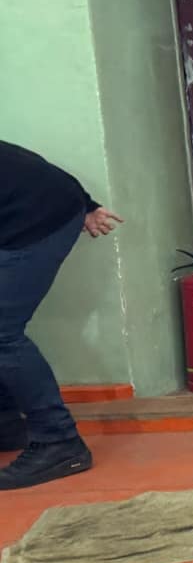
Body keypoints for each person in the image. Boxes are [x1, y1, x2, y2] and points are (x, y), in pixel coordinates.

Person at [0, 141, 121, 491]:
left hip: (36, 219)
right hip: (35, 206)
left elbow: (19, 166)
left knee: (2, 333)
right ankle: (7, 424)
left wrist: (85, 204)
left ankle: (59, 443)